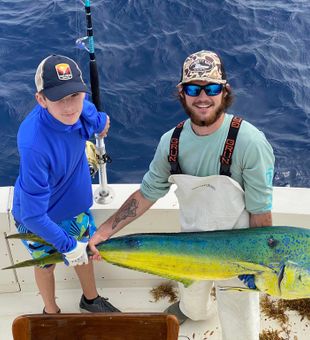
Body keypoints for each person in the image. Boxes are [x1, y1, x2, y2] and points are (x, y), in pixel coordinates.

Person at [89, 50, 274, 340]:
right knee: (193, 304)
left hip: (239, 256)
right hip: (189, 247)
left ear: (224, 91)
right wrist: (103, 232)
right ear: (182, 92)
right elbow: (147, 194)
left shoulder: (250, 142)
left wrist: (261, 267)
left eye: (211, 88)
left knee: (242, 330)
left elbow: (261, 213)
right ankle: (194, 310)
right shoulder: (171, 142)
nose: (203, 97)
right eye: (193, 88)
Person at [12, 54, 120, 314]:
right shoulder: (34, 143)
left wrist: (102, 124)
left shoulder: (82, 108)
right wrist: (67, 246)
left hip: (75, 210)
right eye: (59, 99)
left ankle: (91, 300)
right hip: (41, 219)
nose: (70, 107)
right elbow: (32, 214)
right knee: (45, 265)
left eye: (75, 95)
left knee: (86, 254)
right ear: (41, 99)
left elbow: (97, 118)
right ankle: (50, 311)